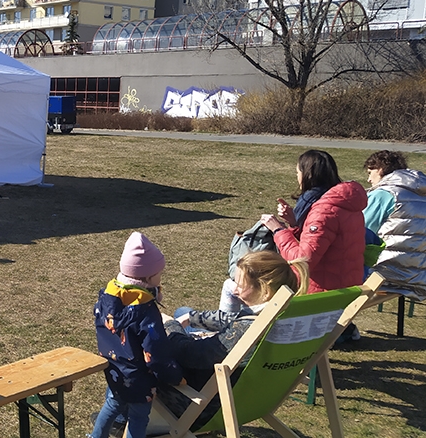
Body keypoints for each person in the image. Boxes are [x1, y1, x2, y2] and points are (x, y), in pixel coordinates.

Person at [156, 251, 309, 431]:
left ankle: (120, 424)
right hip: (253, 400)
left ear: (265, 291)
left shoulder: (245, 330)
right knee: (184, 310)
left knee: (132, 361)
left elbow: (188, 354)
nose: (235, 290)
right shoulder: (290, 317)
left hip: (205, 406)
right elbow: (234, 319)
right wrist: (191, 317)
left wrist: (170, 326)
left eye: (240, 285)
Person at [90, 231, 182, 438]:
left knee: (112, 404)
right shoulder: (145, 311)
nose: (161, 277)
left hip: (114, 369)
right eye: (159, 273)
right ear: (148, 277)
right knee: (139, 417)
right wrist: (173, 375)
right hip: (140, 378)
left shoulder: (107, 300)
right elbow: (156, 351)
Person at [259, 149, 367, 294]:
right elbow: (326, 244)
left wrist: (278, 230)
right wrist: (294, 224)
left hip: (322, 294)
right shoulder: (346, 204)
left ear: (307, 175)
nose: (297, 177)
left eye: (297, 173)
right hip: (346, 287)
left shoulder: (324, 211)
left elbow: (303, 261)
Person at [362, 150, 426, 301]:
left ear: (381, 169)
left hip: (386, 275)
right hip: (419, 276)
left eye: (370, 172)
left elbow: (360, 231)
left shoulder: (384, 194)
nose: (368, 179)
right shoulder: (421, 194)